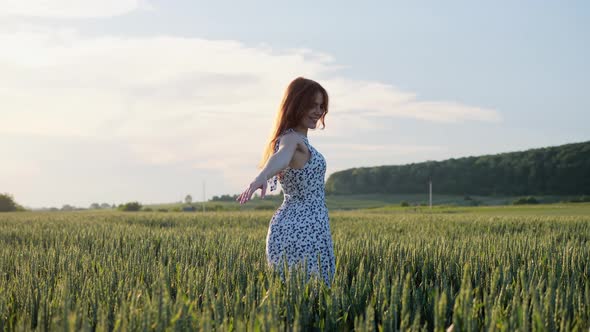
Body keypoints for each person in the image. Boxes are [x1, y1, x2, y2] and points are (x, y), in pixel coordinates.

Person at [236, 77, 336, 287]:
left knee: (304, 294)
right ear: (296, 105)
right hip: (301, 229)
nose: (318, 111)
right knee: (307, 294)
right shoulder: (291, 139)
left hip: (310, 225)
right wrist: (262, 176)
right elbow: (282, 155)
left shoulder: (298, 139)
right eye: (312, 105)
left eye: (321, 106)